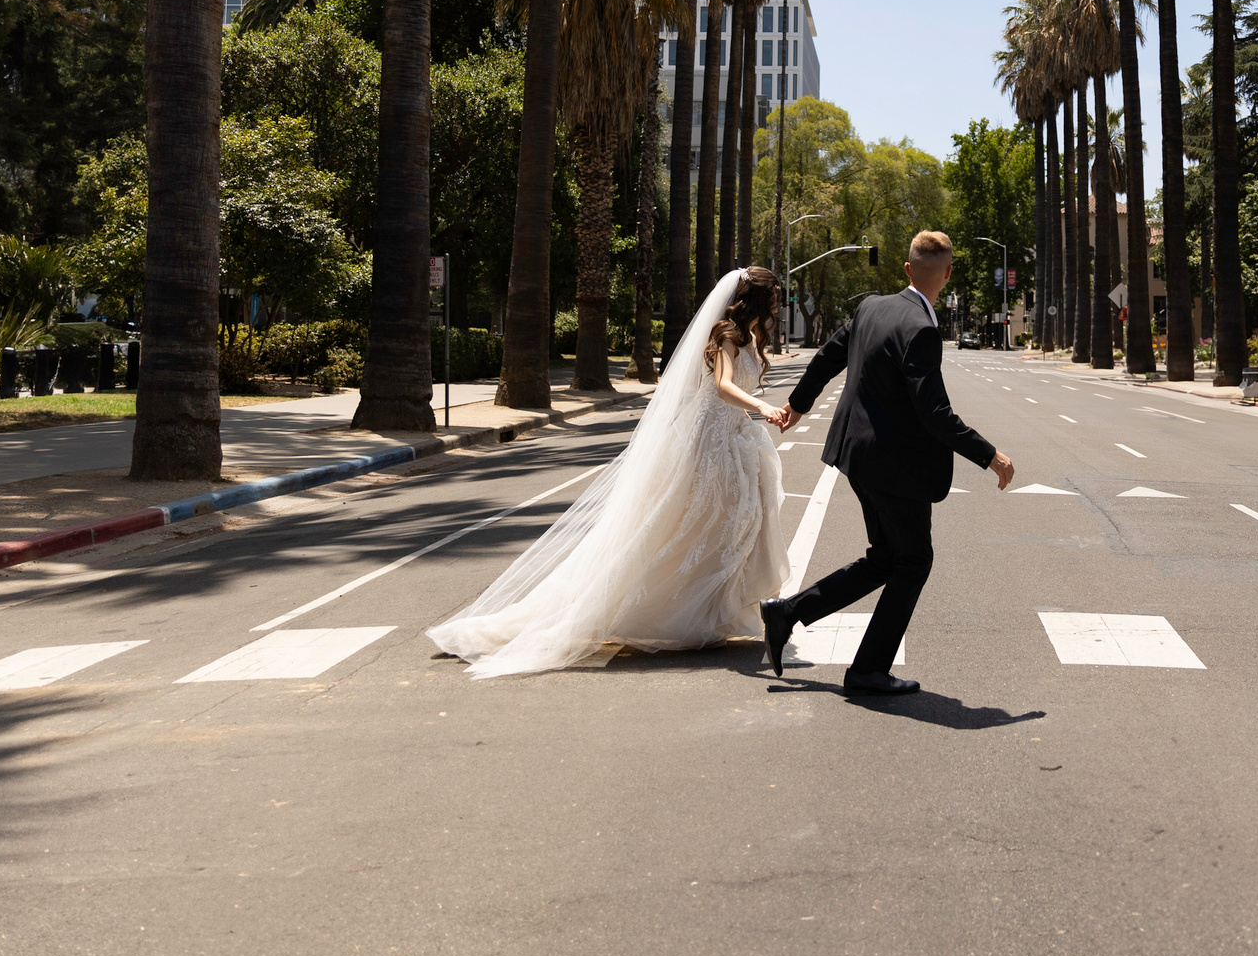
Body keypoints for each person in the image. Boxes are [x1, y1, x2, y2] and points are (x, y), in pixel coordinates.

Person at [427, 268, 788, 677]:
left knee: (731, 523)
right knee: (694, 523)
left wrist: (757, 413)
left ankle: (710, 611)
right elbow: (722, 385)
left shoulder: (752, 337)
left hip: (734, 437)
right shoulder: (726, 335)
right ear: (756, 300)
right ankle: (674, 610)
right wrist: (762, 406)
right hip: (707, 441)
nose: (777, 305)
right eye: (774, 297)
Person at [758, 230, 1016, 696]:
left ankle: (788, 613)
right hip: (895, 468)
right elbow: (933, 413)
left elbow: (827, 358)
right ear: (948, 274)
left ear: (908, 269)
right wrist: (988, 455)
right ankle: (867, 670)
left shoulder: (871, 307)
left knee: (886, 558)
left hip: (857, 456)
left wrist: (797, 405)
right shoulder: (921, 329)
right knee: (913, 562)